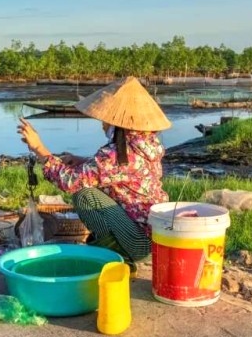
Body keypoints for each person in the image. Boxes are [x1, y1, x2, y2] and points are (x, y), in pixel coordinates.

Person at [17, 76, 171, 262]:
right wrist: (80, 161)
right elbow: (117, 173)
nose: (102, 124)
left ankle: (120, 253)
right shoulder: (145, 144)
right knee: (89, 186)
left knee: (85, 196)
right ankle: (118, 247)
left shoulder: (120, 154)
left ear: (118, 124)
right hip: (155, 235)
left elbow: (70, 182)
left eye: (106, 120)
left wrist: (38, 148)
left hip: (140, 244)